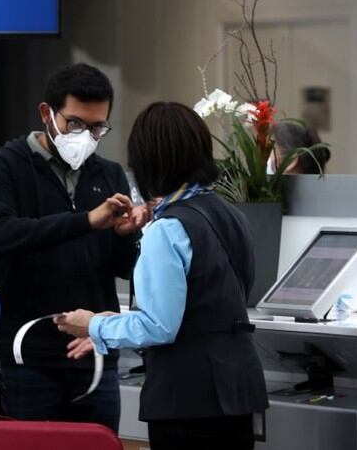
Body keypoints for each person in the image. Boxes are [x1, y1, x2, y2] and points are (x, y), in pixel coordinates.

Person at [56, 102, 269, 449]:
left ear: (147, 162)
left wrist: (93, 325)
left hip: (187, 400)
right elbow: (210, 301)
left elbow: (160, 327)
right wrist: (114, 323)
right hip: (237, 390)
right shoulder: (232, 215)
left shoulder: (167, 229)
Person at [0, 63, 150, 431]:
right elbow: (0, 236)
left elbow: (122, 267)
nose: (85, 135)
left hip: (95, 358)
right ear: (46, 114)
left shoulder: (109, 174)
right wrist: (87, 221)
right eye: (74, 123)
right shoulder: (6, 167)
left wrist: (127, 235)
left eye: (97, 127)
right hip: (28, 359)